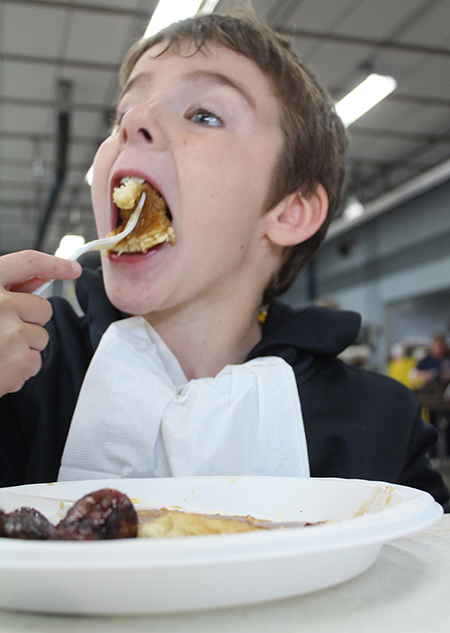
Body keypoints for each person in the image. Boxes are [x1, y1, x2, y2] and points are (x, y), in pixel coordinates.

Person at [0, 8, 448, 508]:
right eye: (123, 110)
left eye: (204, 115)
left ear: (290, 212)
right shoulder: (25, 374)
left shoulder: (379, 427)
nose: (133, 121)